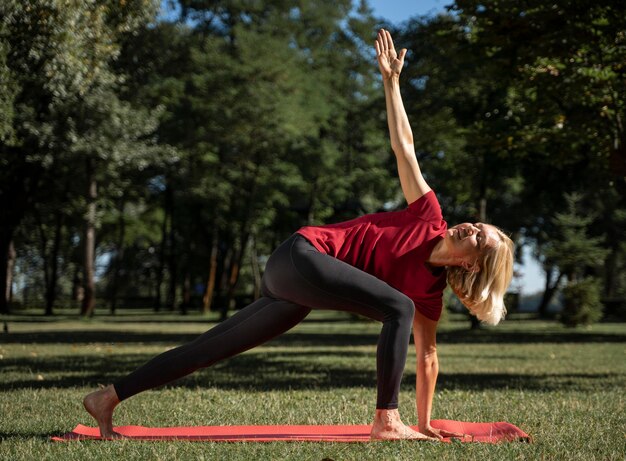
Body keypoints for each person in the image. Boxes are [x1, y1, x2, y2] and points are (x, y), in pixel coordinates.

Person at [83, 29, 514, 441]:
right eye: (478, 225)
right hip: (300, 256)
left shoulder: (429, 295)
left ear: (471, 263)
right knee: (395, 306)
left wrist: (425, 423)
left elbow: (428, 357)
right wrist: (391, 83)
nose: (472, 228)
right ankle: (386, 420)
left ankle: (108, 397)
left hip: (295, 288)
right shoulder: (428, 214)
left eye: (480, 238)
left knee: (211, 347)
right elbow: (405, 148)